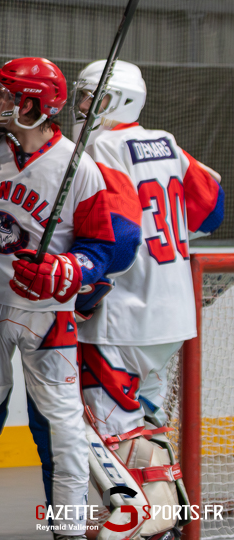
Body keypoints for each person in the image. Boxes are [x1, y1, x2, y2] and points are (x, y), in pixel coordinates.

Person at [0, 57, 141, 540]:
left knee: (63, 426)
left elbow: (103, 249)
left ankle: (67, 530)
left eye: (6, 95)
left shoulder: (78, 166)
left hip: (47, 314)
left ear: (31, 105)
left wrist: (65, 269)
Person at [71, 60, 224, 539]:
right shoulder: (169, 144)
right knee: (147, 423)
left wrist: (85, 294)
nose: (79, 108)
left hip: (123, 316)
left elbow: (118, 238)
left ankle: (149, 519)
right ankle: (165, 518)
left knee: (96, 428)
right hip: (173, 312)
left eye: (87, 97)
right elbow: (213, 208)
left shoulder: (100, 147)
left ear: (114, 101)